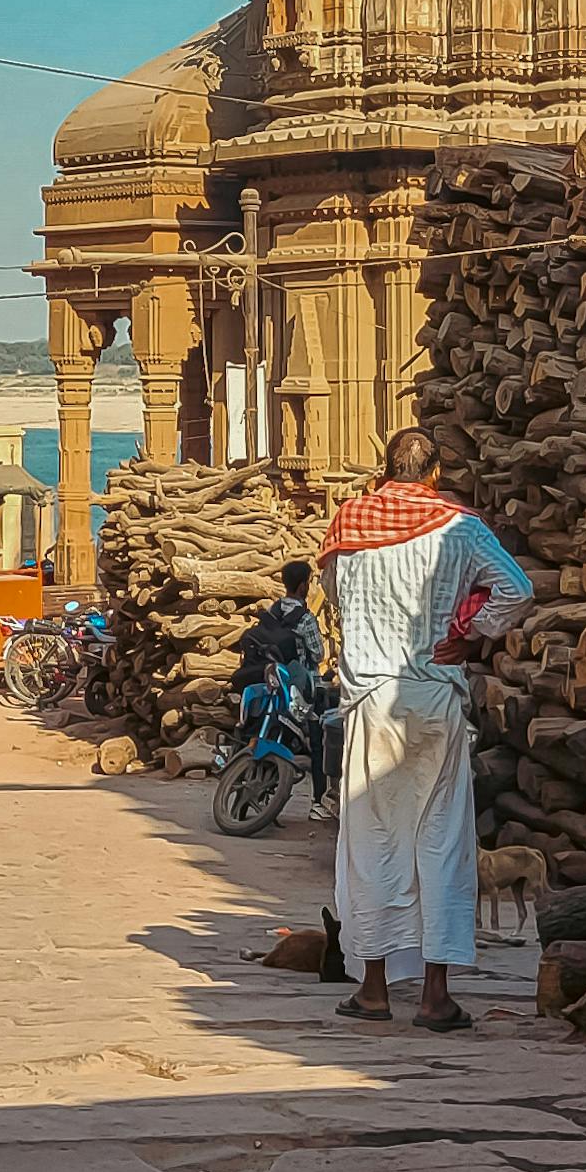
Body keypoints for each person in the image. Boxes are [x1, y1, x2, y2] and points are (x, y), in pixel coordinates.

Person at [313, 427, 529, 1034]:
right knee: (442, 842)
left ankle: (375, 988)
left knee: (372, 841)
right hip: (437, 695)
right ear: (433, 475)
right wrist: (471, 633)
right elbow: (519, 588)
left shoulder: (349, 526)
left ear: (385, 470)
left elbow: (332, 596)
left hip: (371, 702)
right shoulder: (459, 526)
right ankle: (435, 996)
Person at [233, 560, 329, 800]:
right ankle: (318, 801)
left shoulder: (273, 611)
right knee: (318, 744)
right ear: (301, 586)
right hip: (302, 685)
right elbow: (318, 654)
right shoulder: (305, 618)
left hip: (274, 682)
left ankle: (258, 790)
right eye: (308, 581)